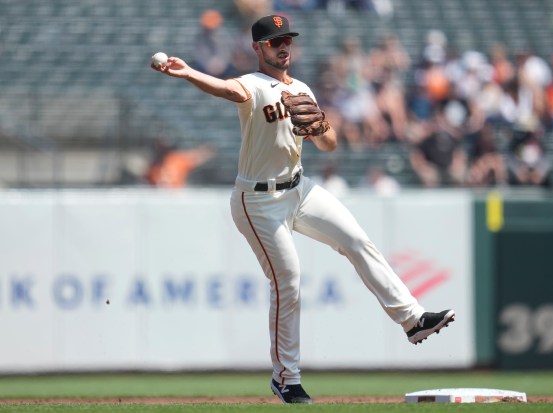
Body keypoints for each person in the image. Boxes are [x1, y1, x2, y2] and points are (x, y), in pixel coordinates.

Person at [151, 14, 454, 404]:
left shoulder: (304, 89)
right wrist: (189, 72)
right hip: (257, 201)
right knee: (289, 281)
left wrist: (319, 125)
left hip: (300, 188)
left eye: (287, 39)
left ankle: (413, 319)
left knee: (357, 239)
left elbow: (330, 146)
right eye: (275, 41)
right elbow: (226, 89)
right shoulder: (254, 84)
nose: (284, 46)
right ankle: (286, 378)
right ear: (259, 47)